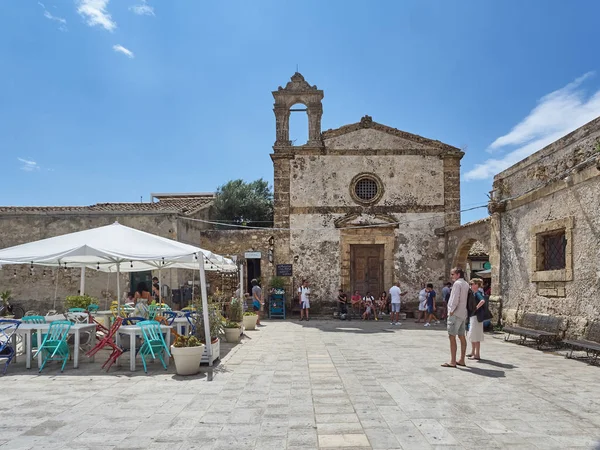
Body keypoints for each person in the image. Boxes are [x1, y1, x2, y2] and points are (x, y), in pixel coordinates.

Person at [441, 268, 469, 368]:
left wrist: (451, 311)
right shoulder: (465, 283)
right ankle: (462, 359)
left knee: (452, 336)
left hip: (455, 313)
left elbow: (454, 299)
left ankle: (453, 361)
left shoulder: (457, 284)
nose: (451, 276)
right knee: (462, 336)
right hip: (463, 313)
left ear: (457, 274)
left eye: (452, 274)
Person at [467, 278, 486, 360]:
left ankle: (477, 354)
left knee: (476, 336)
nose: (471, 286)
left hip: (476, 317)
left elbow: (482, 301)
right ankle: (473, 352)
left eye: (472, 284)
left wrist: (476, 308)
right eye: (471, 284)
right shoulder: (474, 293)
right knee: (472, 335)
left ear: (476, 285)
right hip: (473, 316)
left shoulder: (478, 293)